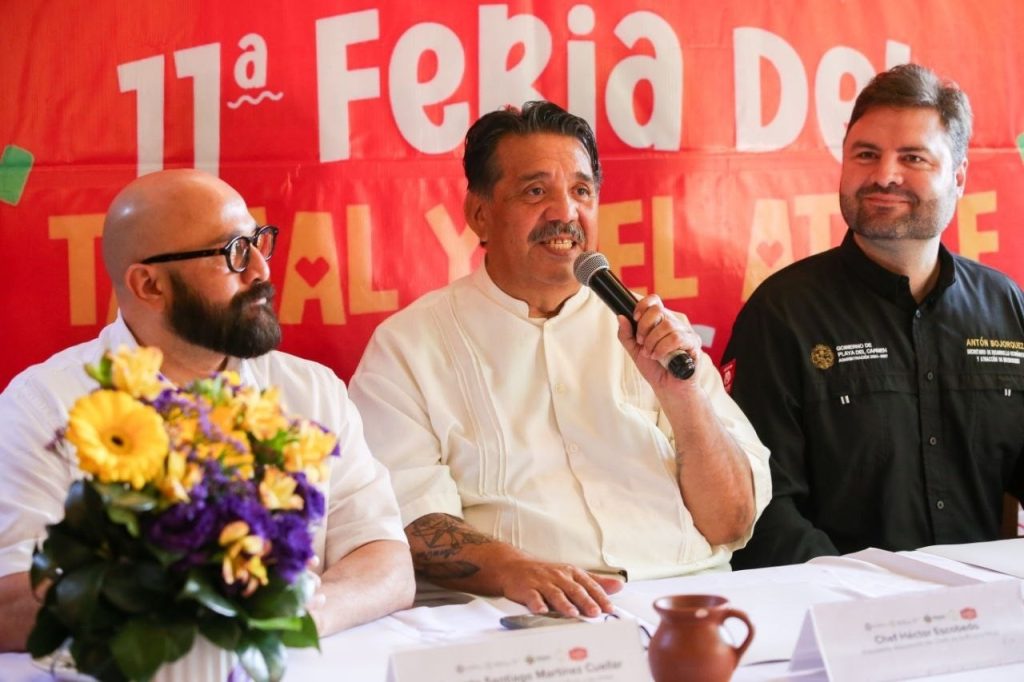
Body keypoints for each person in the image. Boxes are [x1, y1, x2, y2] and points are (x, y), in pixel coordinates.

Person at [349, 101, 771, 618]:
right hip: (517, 617)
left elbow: (731, 521)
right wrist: (519, 570)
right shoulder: (407, 347)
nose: (565, 213)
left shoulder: (657, 334)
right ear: (479, 214)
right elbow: (410, 519)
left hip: (688, 601)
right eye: (535, 191)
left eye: (581, 191)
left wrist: (683, 399)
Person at [0, 169, 414, 651]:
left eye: (258, 242)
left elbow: (386, 560)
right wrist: (195, 602)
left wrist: (301, 615)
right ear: (150, 285)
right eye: (233, 252)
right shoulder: (45, 405)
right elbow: (10, 603)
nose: (260, 271)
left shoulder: (310, 389)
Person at [722, 63, 1024, 569]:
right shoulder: (781, 314)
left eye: (913, 157)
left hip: (987, 605)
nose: (885, 175)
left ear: (959, 177)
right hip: (834, 605)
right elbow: (762, 509)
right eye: (866, 154)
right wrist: (870, 595)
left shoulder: (1005, 306)